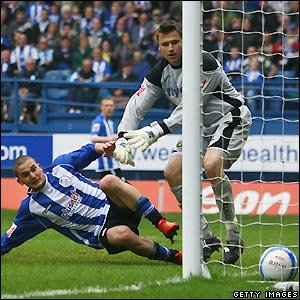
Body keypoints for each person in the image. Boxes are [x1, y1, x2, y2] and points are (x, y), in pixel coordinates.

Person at [112, 20, 252, 265]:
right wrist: (122, 138)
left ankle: (233, 235)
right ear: (159, 47)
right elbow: (137, 104)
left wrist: (155, 131)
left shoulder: (204, 63)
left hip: (229, 118)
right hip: (197, 127)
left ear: (185, 41)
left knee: (211, 164)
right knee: (172, 171)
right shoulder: (159, 72)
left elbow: (191, 105)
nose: (170, 48)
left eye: (175, 42)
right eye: (164, 44)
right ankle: (206, 237)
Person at [1, 141, 182, 265]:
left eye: (33, 169)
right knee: (123, 236)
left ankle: (160, 222)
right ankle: (174, 256)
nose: (32, 175)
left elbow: (87, 151)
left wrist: (103, 147)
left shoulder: (61, 167)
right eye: (25, 175)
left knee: (108, 181)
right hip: (101, 231)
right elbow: (10, 237)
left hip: (114, 203)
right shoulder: (31, 209)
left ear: (39, 166)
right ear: (20, 181)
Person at [90, 98, 125, 180]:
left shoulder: (109, 122)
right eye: (106, 105)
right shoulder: (99, 121)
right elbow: (93, 138)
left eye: (111, 106)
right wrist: (110, 138)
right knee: (122, 185)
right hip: (107, 164)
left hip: (112, 161)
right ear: (101, 107)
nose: (109, 108)